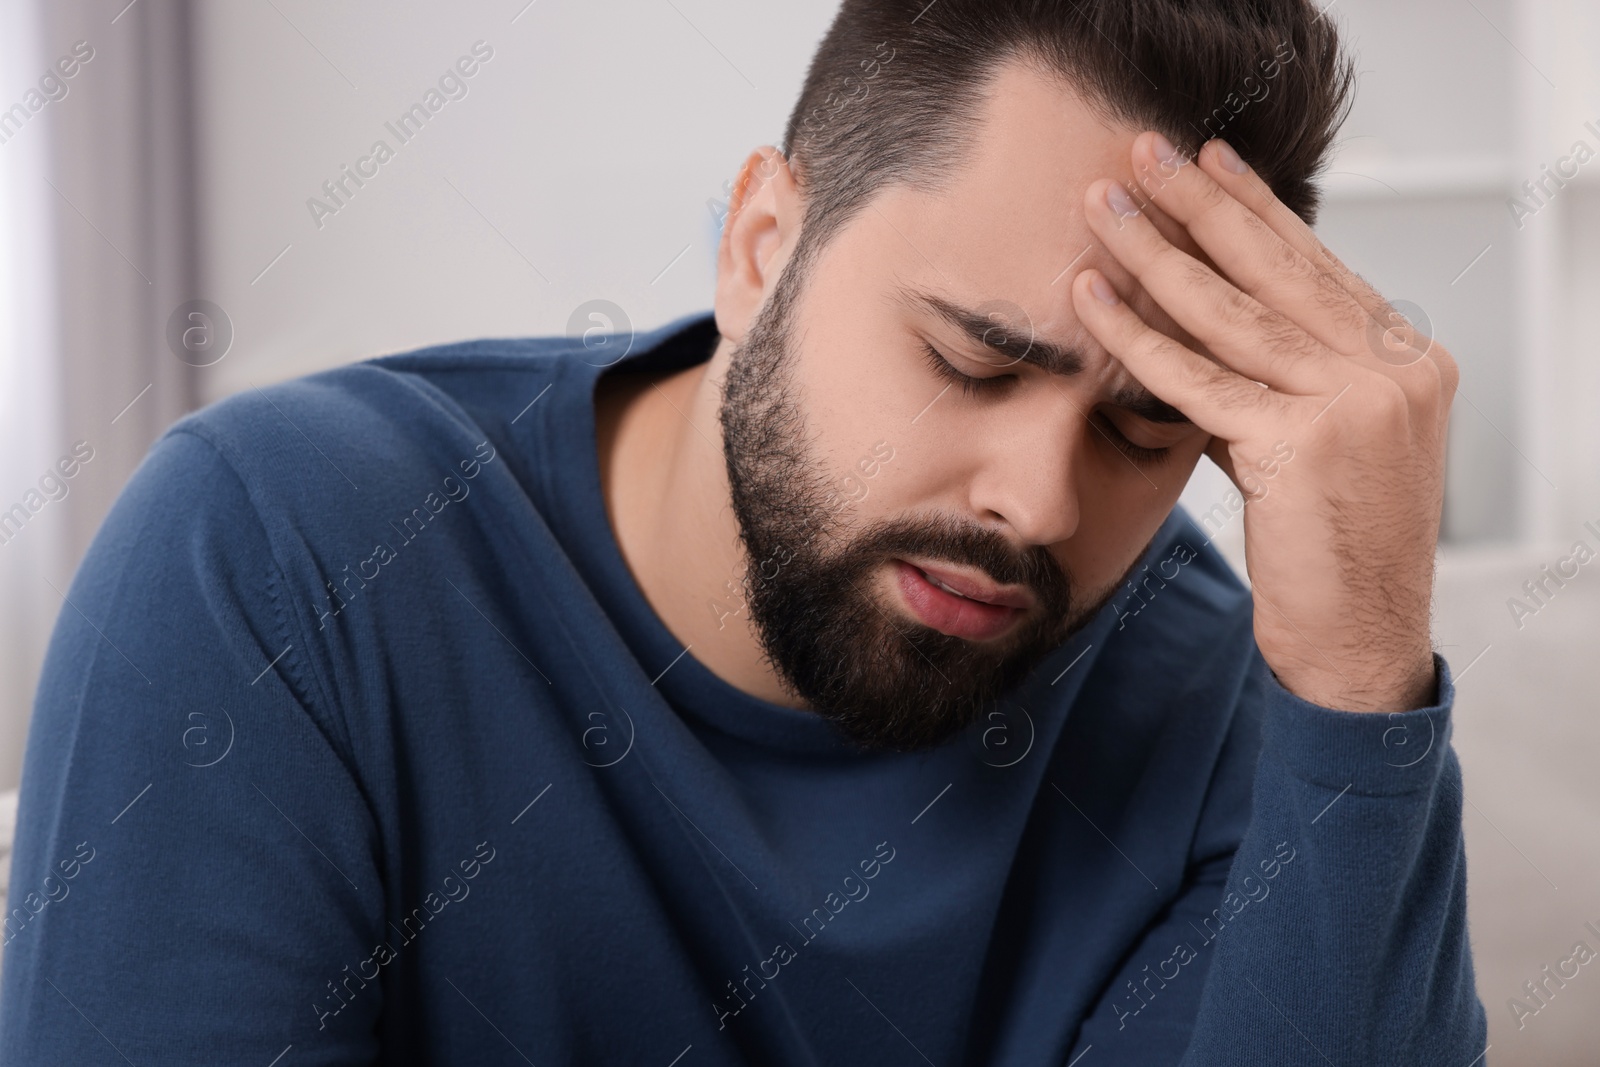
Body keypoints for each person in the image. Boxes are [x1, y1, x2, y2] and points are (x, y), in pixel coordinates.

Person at [1, 0, 1486, 1063]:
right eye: (972, 360)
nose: (1036, 505)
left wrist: (1360, 679)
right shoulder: (278, 560)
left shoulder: (1244, 705)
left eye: (1144, 429)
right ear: (763, 244)